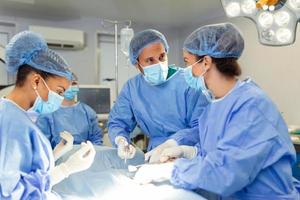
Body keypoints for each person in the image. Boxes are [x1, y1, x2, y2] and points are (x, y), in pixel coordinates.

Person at [134, 23, 300, 199]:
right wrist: (189, 152)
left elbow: (226, 173)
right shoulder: (215, 105)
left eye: (187, 62)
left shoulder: (251, 105)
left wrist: (172, 171)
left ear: (206, 62)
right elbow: (216, 152)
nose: (185, 71)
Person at [0, 31, 96, 199]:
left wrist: (55, 154)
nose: (59, 100)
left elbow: (23, 169)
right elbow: (10, 193)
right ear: (36, 81)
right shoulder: (12, 123)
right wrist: (65, 169)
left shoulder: (18, 115)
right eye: (59, 91)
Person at [108, 29, 208, 161]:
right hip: (155, 154)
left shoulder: (189, 81)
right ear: (137, 64)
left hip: (187, 152)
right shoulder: (132, 88)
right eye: (149, 60)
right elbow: (118, 122)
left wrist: (173, 143)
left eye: (162, 57)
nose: (158, 64)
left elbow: (201, 126)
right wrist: (121, 140)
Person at [36, 73, 103, 153]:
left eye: (74, 83)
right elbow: (42, 147)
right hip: (58, 161)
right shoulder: (48, 113)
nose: (70, 87)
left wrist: (89, 155)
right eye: (67, 83)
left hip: (85, 159)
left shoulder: (88, 112)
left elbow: (96, 141)